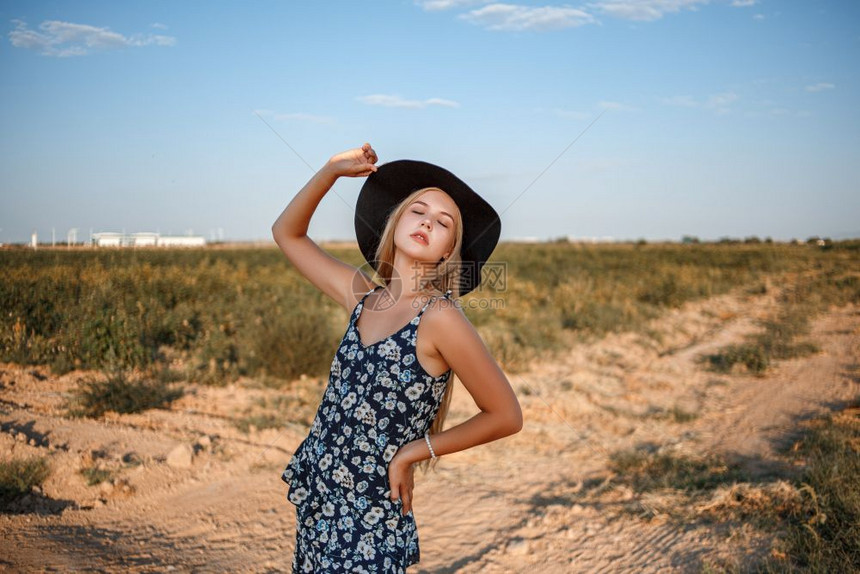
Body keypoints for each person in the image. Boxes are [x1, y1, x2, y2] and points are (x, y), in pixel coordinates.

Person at [273, 142, 523, 572]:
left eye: (443, 222)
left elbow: (505, 415)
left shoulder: (440, 317)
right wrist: (330, 172)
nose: (428, 222)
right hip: (319, 499)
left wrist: (414, 452)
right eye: (418, 211)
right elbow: (286, 234)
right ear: (395, 222)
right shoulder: (361, 295)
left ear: (448, 250)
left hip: (370, 516)